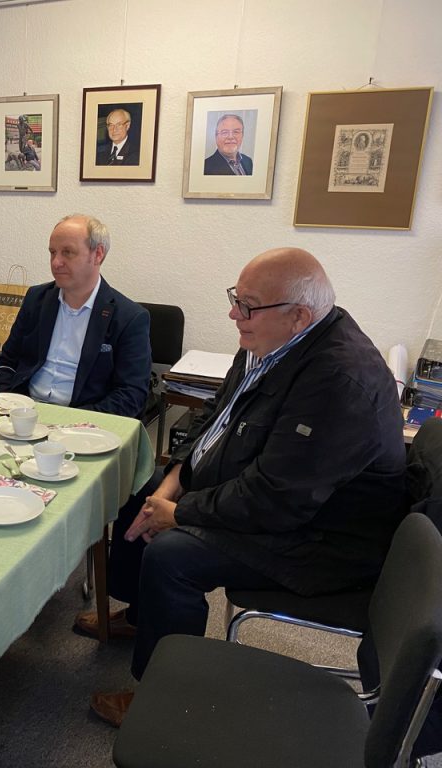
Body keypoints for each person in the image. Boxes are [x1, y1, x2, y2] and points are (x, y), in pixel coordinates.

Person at [88, 248, 406, 728]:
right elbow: (215, 417)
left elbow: (277, 499)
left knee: (172, 555)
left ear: (298, 314)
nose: (234, 314)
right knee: (142, 486)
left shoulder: (338, 381)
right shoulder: (270, 341)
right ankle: (140, 617)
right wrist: (175, 478)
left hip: (321, 537)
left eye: (248, 305)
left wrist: (181, 512)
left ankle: (164, 697)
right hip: (269, 493)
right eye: (237, 298)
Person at [0, 214, 151, 417]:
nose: (56, 262)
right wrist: (9, 406)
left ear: (98, 254)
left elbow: (131, 394)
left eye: (67, 252)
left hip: (84, 420)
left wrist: (72, 422)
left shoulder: (129, 318)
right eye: (52, 252)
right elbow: (6, 362)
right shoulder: (36, 299)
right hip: (24, 413)